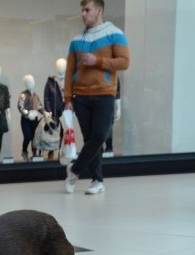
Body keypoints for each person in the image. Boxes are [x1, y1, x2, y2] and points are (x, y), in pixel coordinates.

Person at [63, 0, 130, 195]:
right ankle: (97, 180)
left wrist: (98, 60)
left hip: (104, 93)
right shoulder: (76, 40)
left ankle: (74, 169)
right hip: (81, 96)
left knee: (99, 136)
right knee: (90, 139)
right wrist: (68, 99)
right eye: (82, 10)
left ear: (99, 10)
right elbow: (69, 72)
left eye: (87, 10)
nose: (83, 14)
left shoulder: (114, 33)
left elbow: (125, 62)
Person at [44, 58, 67, 160]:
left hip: (66, 110)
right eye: (59, 65)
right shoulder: (51, 82)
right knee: (53, 131)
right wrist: (48, 110)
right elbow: (47, 97)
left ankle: (62, 150)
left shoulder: (69, 81)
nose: (60, 67)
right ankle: (51, 151)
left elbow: (74, 94)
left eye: (63, 65)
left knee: (66, 131)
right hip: (54, 111)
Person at [17, 74, 43, 161]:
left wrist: (45, 113)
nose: (31, 83)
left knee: (34, 137)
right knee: (27, 136)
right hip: (26, 120)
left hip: (35, 120)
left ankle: (34, 153)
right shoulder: (23, 95)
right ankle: (24, 151)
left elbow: (39, 107)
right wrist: (27, 114)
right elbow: (20, 106)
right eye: (28, 82)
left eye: (32, 81)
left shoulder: (35, 96)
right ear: (25, 84)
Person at [103, 80, 122, 157]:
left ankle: (109, 147)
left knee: (108, 126)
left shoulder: (112, 76)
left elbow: (117, 91)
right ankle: (99, 147)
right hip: (96, 102)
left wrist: (118, 107)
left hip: (108, 103)